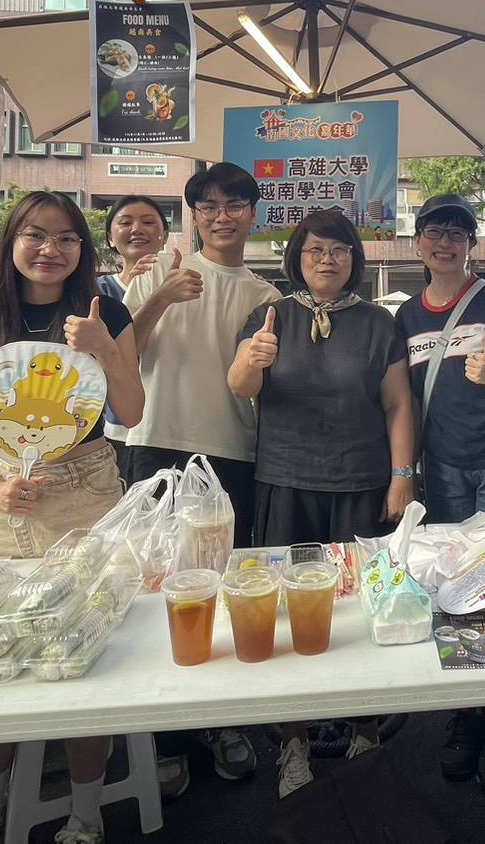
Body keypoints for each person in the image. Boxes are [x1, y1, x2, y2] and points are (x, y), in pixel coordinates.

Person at [0, 191, 144, 844]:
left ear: (83, 250)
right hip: (2, 498)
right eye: (34, 234)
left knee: (89, 653)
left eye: (66, 238)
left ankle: (86, 812)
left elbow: (132, 411)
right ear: (11, 245)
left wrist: (106, 348)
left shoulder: (105, 311)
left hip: (88, 490)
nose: (50, 249)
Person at [228, 210, 416, 799]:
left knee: (362, 611)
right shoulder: (270, 316)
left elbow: (397, 405)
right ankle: (295, 741)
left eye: (338, 249)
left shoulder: (377, 324)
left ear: (355, 259)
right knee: (286, 610)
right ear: (296, 259)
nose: (327, 259)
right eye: (314, 250)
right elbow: (240, 388)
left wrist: (402, 476)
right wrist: (250, 361)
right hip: (285, 484)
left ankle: (365, 733)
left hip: (360, 484)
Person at [120, 164, 277, 789]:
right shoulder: (157, 271)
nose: (221, 215)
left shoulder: (266, 295)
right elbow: (119, 354)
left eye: (235, 203)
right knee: (156, 588)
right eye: (207, 204)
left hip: (232, 450)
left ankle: (221, 722)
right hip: (153, 442)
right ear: (193, 214)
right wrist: (160, 294)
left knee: (218, 587)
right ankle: (164, 733)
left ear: (252, 213)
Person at [394, 194, 485, 791]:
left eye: (457, 232)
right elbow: (398, 402)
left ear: (470, 243)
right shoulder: (404, 317)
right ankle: (468, 709)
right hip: (442, 467)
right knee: (453, 587)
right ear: (419, 242)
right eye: (435, 231)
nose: (445, 242)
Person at [95, 195, 169, 472]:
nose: (137, 229)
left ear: (164, 235)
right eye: (125, 222)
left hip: (168, 429)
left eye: (148, 222)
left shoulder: (185, 287)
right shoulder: (95, 293)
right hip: (113, 431)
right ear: (111, 238)